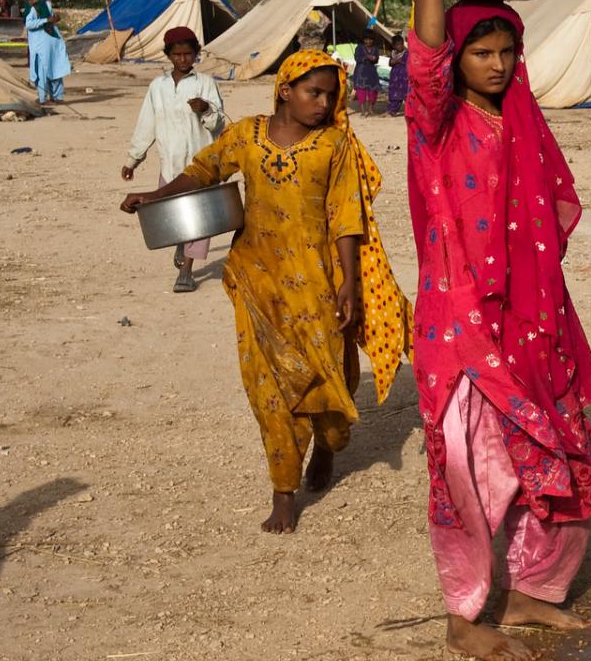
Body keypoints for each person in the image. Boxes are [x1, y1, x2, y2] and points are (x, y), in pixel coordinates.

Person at [402, 0, 591, 661]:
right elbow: (426, 60)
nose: (495, 65)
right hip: (461, 326)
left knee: (563, 466)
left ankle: (532, 595)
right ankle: (465, 615)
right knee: (469, 473)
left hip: (532, 322)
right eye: (481, 53)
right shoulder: (435, 123)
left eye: (506, 51)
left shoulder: (523, 119)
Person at [120, 50, 411, 535]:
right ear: (285, 89)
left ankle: (326, 445)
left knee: (330, 379)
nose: (322, 104)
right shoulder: (248, 136)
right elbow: (205, 169)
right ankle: (283, 489)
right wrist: (156, 195)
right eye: (312, 92)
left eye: (329, 95)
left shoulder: (334, 145)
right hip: (258, 281)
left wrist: (350, 284)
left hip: (318, 285)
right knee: (268, 386)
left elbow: (346, 216)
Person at [122, 28, 228, 293]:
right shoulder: (158, 88)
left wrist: (205, 109)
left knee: (201, 219)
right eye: (177, 54)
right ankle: (181, 244)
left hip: (200, 164)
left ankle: (186, 271)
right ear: (168, 55)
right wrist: (133, 159)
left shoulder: (205, 83)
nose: (183, 59)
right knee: (176, 215)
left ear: (196, 54)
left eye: (188, 54)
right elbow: (147, 123)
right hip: (170, 163)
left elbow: (219, 122)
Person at [23, 0, 70, 105]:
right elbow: (29, 24)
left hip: (51, 42)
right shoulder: (33, 6)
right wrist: (46, 21)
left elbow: (50, 19)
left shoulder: (47, 4)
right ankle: (43, 98)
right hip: (40, 44)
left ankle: (57, 97)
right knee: (43, 71)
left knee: (55, 68)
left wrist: (54, 19)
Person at [353, 36, 383, 115]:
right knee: (361, 91)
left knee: (373, 91)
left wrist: (374, 59)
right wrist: (366, 57)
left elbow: (377, 59)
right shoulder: (359, 48)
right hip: (361, 72)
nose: (368, 41)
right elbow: (357, 58)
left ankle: (370, 109)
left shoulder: (375, 49)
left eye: (370, 39)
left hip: (371, 71)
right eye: (366, 39)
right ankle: (363, 110)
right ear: (363, 40)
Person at [385, 36, 410, 117]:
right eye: (397, 45)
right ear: (394, 46)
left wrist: (401, 62)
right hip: (395, 78)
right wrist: (394, 61)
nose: (400, 46)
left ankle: (410, 111)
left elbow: (409, 64)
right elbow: (390, 63)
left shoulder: (406, 53)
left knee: (406, 94)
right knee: (395, 94)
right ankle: (392, 110)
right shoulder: (393, 54)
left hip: (404, 78)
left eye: (401, 44)